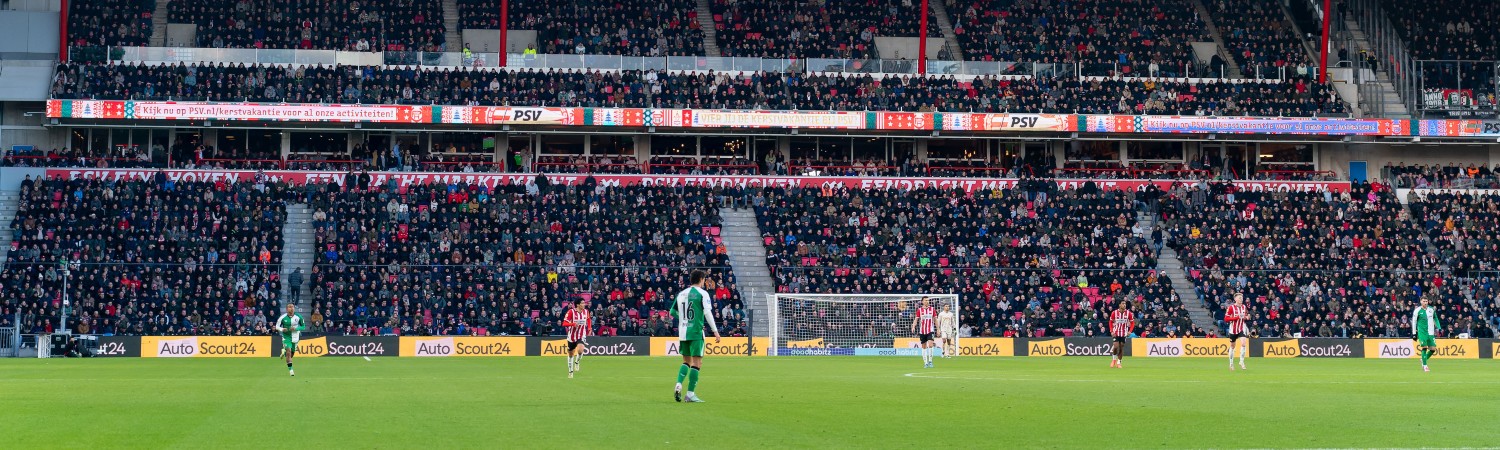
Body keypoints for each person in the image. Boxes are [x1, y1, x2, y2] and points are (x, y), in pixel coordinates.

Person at [671, 270, 720, 403]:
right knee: (697, 363)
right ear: (701, 279)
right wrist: (715, 331)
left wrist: (683, 319)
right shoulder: (702, 294)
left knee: (686, 361)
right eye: (704, 280)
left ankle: (679, 384)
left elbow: (672, 311)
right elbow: (707, 313)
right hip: (696, 332)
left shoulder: (681, 294)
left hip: (683, 333)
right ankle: (690, 394)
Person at [562, 300, 592, 379]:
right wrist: (573, 324)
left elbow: (588, 319)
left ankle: (577, 362)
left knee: (580, 350)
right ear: (578, 305)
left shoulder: (586, 311)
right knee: (571, 354)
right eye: (582, 303)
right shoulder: (571, 312)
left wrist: (589, 327)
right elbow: (564, 323)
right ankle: (570, 372)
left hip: (581, 335)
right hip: (572, 336)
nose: (584, 304)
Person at [274, 304, 306, 376]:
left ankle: (283, 351)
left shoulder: (299, 317)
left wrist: (296, 328)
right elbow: (277, 327)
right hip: (286, 337)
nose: (291, 308)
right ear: (286, 309)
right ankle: (291, 370)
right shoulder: (282, 317)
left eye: (292, 307)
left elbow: (303, 326)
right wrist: (282, 329)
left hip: (295, 338)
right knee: (288, 351)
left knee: (291, 354)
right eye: (289, 307)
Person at [1411, 297, 1440, 372]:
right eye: (1424, 301)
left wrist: (1439, 327)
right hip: (1422, 332)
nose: (1425, 303)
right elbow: (1414, 322)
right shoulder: (1417, 310)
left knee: (1433, 349)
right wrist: (1414, 333)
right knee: (1424, 347)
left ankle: (1423, 359)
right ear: (1421, 302)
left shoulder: (1431, 309)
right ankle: (1425, 366)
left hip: (1431, 332)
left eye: (1426, 301)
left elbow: (1435, 318)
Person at [910, 297, 937, 368]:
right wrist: (913, 326)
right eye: (925, 300)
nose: (927, 301)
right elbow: (916, 319)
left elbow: (935, 319)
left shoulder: (932, 309)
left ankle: (930, 361)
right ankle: (925, 362)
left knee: (930, 344)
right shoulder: (919, 310)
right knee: (924, 346)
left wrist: (938, 329)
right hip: (922, 331)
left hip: (930, 330)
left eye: (928, 300)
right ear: (922, 301)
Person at [1225, 293, 1249, 370]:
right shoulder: (1231, 307)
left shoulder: (1244, 307)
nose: (1241, 299)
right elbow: (1226, 319)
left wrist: (1246, 317)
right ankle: (1231, 363)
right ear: (1235, 299)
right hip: (1233, 330)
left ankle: (1241, 361)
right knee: (1232, 346)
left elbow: (1245, 316)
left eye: (1241, 298)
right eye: (1239, 298)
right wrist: (1236, 318)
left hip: (1241, 328)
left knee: (1243, 343)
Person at [1109, 300, 1134, 368]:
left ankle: (1119, 362)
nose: (1124, 305)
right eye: (1123, 303)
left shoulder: (1129, 313)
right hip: (1116, 332)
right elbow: (1110, 322)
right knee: (1115, 346)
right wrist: (1111, 331)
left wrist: (1130, 331)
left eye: (1125, 303)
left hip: (1124, 333)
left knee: (1121, 347)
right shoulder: (1114, 313)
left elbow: (1132, 323)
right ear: (1119, 305)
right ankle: (1114, 360)